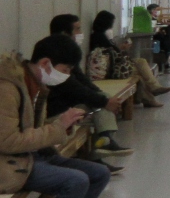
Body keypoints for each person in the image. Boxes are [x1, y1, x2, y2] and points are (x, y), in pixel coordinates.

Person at [0, 34, 112, 198]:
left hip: (29, 156)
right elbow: (8, 141)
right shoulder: (7, 88)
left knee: (99, 174)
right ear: (45, 63)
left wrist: (62, 126)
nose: (67, 75)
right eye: (66, 69)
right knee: (75, 181)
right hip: (9, 163)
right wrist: (58, 127)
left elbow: (32, 130)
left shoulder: (34, 84)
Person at [46, 14, 132, 161]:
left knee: (100, 100)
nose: (81, 33)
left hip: (66, 103)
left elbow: (82, 80)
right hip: (55, 111)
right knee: (99, 104)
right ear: (64, 33)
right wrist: (104, 101)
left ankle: (102, 145)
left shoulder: (65, 51)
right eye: (77, 29)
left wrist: (100, 95)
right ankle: (102, 147)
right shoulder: (55, 55)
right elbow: (74, 87)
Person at [86, 10, 170, 108]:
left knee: (141, 62)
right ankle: (152, 93)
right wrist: (122, 48)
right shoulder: (99, 37)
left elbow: (113, 53)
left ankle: (153, 92)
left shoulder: (101, 36)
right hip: (112, 70)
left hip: (114, 65)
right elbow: (113, 54)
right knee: (139, 73)